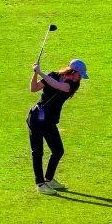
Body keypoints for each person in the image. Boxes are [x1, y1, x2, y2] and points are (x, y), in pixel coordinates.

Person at [28, 57, 87, 194]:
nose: (80, 78)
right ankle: (40, 184)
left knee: (58, 150)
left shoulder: (73, 85)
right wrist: (35, 73)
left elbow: (57, 86)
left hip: (50, 121)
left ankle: (49, 179)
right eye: (80, 75)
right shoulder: (53, 75)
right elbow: (33, 88)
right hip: (36, 118)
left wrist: (41, 72)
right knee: (38, 152)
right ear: (72, 71)